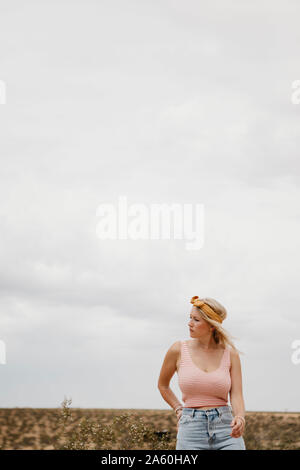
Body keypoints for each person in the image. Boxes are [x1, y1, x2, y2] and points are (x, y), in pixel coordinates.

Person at [157, 296, 246, 450]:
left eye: (196, 320)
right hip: (191, 428)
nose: (189, 323)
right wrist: (178, 409)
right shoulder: (178, 349)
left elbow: (236, 394)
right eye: (190, 318)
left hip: (226, 427)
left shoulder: (230, 354)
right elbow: (163, 385)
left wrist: (240, 417)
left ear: (212, 326)